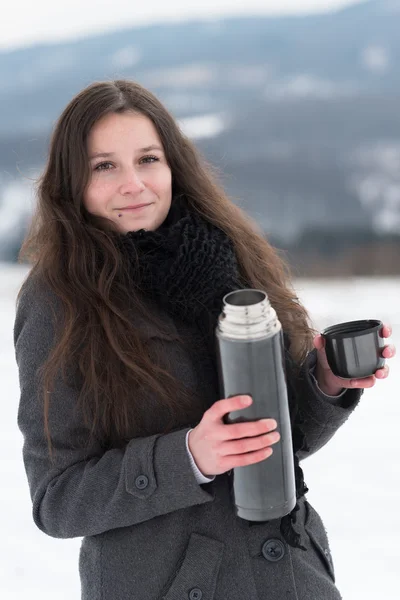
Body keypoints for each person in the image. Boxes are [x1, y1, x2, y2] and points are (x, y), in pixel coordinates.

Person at [14, 80, 395, 600]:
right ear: (72, 183)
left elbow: (280, 442)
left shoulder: (227, 257)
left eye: (147, 159)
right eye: (104, 166)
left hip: (288, 577)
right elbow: (57, 501)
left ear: (173, 165)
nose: (134, 184)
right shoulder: (58, 300)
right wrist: (189, 456)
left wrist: (324, 382)